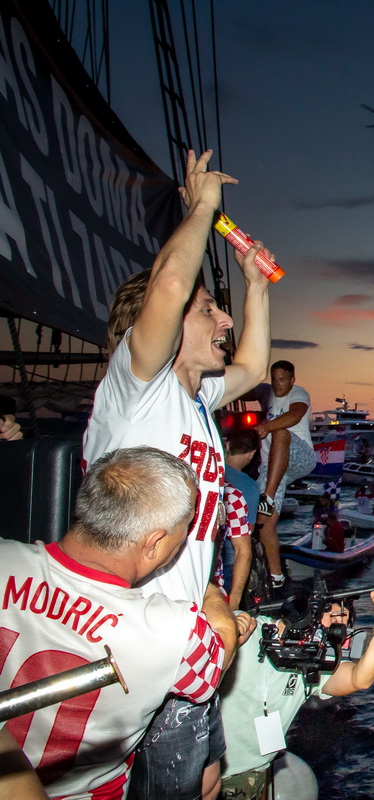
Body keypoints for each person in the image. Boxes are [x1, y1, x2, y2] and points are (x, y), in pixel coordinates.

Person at [81, 149, 271, 800]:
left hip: (188, 637)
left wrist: (257, 286)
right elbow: (167, 287)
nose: (224, 322)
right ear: (162, 328)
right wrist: (202, 210)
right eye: (209, 311)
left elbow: (250, 368)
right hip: (136, 643)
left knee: (209, 780)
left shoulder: (192, 399)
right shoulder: (138, 389)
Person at [0, 447, 242, 800]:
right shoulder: (175, 632)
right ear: (154, 543)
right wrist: (211, 596)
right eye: (185, 530)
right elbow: (219, 656)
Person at [218, 583, 374, 799]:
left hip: (256, 772)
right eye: (334, 616)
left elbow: (359, 679)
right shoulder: (247, 631)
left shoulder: (314, 662)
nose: (337, 627)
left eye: (344, 620)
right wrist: (231, 630)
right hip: (209, 771)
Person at [254, 361, 317, 587]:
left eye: (283, 379)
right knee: (263, 523)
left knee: (280, 432)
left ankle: (267, 497)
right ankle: (276, 577)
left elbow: (295, 415)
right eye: (274, 379)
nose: (278, 384)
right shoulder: (266, 392)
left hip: (301, 457)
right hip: (274, 468)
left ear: (292, 379)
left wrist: (266, 427)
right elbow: (242, 386)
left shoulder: (299, 393)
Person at [220, 428, 259, 611]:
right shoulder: (249, 487)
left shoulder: (211, 474)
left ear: (227, 446)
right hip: (228, 562)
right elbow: (246, 533)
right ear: (251, 454)